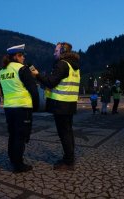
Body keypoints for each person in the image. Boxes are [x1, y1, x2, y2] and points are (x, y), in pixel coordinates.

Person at [31, 42, 80, 171]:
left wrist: (37, 75)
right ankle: (69, 157)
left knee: (64, 133)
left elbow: (51, 82)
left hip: (61, 104)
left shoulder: (62, 64)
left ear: (63, 51)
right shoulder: (74, 66)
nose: (54, 53)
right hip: (69, 104)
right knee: (68, 132)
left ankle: (68, 162)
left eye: (56, 50)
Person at [0, 44, 39, 173]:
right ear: (15, 56)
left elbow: (4, 91)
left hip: (9, 107)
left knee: (13, 134)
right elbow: (33, 89)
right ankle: (18, 164)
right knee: (20, 136)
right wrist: (36, 106)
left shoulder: (2, 72)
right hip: (22, 107)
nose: (23, 58)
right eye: (21, 56)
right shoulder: (22, 69)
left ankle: (12, 158)